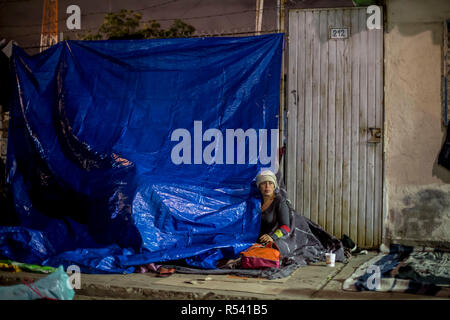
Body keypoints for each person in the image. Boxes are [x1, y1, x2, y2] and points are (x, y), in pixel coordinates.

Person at [256, 170, 291, 244]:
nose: (267, 186)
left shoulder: (279, 202)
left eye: (270, 183)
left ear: (274, 186)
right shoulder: (256, 202)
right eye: (263, 183)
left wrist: (272, 237)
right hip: (254, 242)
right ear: (259, 186)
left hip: (270, 243)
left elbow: (286, 227)